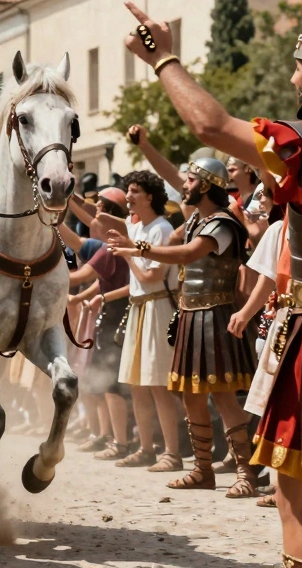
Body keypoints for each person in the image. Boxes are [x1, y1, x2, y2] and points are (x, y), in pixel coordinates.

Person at [123, 2, 302, 564]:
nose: (292, 79)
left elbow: (211, 127)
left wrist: (163, 58)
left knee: (298, 503)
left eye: (298, 68)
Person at [111, 157, 259, 497]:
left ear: (206, 185)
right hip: (191, 314)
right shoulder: (196, 220)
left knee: (223, 396)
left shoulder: (222, 223)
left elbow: (185, 254)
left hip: (215, 316)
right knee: (191, 396)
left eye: (191, 180)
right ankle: (202, 470)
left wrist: (137, 248)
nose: (185, 186)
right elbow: (176, 244)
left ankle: (246, 473)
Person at [96, 170, 186, 472]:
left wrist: (128, 254)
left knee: (158, 385)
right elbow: (117, 225)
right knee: (136, 384)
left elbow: (151, 276)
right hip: (138, 308)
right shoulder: (138, 227)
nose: (129, 196)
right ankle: (146, 448)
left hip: (157, 307)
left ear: (150, 196)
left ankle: (171, 453)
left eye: (134, 190)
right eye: (128, 190)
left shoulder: (161, 228)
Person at [61, 187, 131, 457]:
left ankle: (119, 441)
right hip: (111, 315)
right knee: (100, 382)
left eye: (100, 209)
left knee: (110, 385)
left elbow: (82, 277)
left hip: (115, 317)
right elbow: (98, 280)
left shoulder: (109, 247)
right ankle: (106, 436)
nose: (93, 218)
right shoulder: (110, 245)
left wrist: (41, 276)